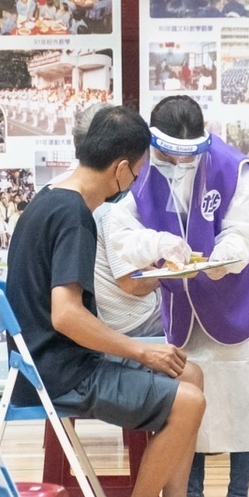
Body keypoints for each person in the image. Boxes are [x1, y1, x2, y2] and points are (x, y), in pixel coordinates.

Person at [5, 104, 239, 497]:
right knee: (188, 400)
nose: (135, 183)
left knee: (190, 374)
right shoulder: (75, 216)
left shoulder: (50, 196)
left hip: (47, 361)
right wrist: (140, 352)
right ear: (121, 169)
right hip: (60, 371)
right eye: (138, 175)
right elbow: (66, 317)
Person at [111, 95, 249, 497]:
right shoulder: (142, 170)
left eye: (189, 156)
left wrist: (222, 257)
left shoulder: (232, 167)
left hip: (240, 298)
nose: (177, 164)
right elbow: (123, 232)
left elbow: (245, 229)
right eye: (170, 155)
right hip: (183, 304)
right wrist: (156, 247)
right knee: (191, 396)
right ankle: (193, 496)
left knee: (244, 395)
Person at [69, 103, 162, 338]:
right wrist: (166, 273)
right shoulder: (107, 209)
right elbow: (132, 284)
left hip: (97, 323)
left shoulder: (57, 196)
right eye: (136, 171)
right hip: (128, 324)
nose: (136, 179)